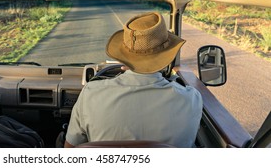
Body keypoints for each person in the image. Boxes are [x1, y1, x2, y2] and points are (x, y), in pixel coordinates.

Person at [64, 12, 202, 148]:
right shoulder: (191, 99)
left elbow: (70, 148)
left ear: (123, 58)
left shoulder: (91, 93)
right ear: (166, 57)